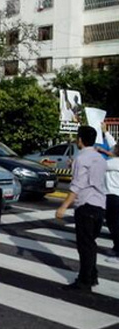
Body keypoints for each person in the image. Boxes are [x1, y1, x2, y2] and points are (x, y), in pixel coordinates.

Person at [56, 125, 107, 291]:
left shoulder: (81, 158)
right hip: (100, 204)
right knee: (91, 243)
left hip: (86, 205)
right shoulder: (99, 158)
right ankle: (92, 276)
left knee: (84, 245)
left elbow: (77, 185)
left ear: (80, 140)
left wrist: (63, 206)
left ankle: (84, 281)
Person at [104, 144, 119, 263]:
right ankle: (116, 247)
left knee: (113, 224)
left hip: (113, 196)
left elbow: (96, 166)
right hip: (114, 195)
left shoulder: (113, 163)